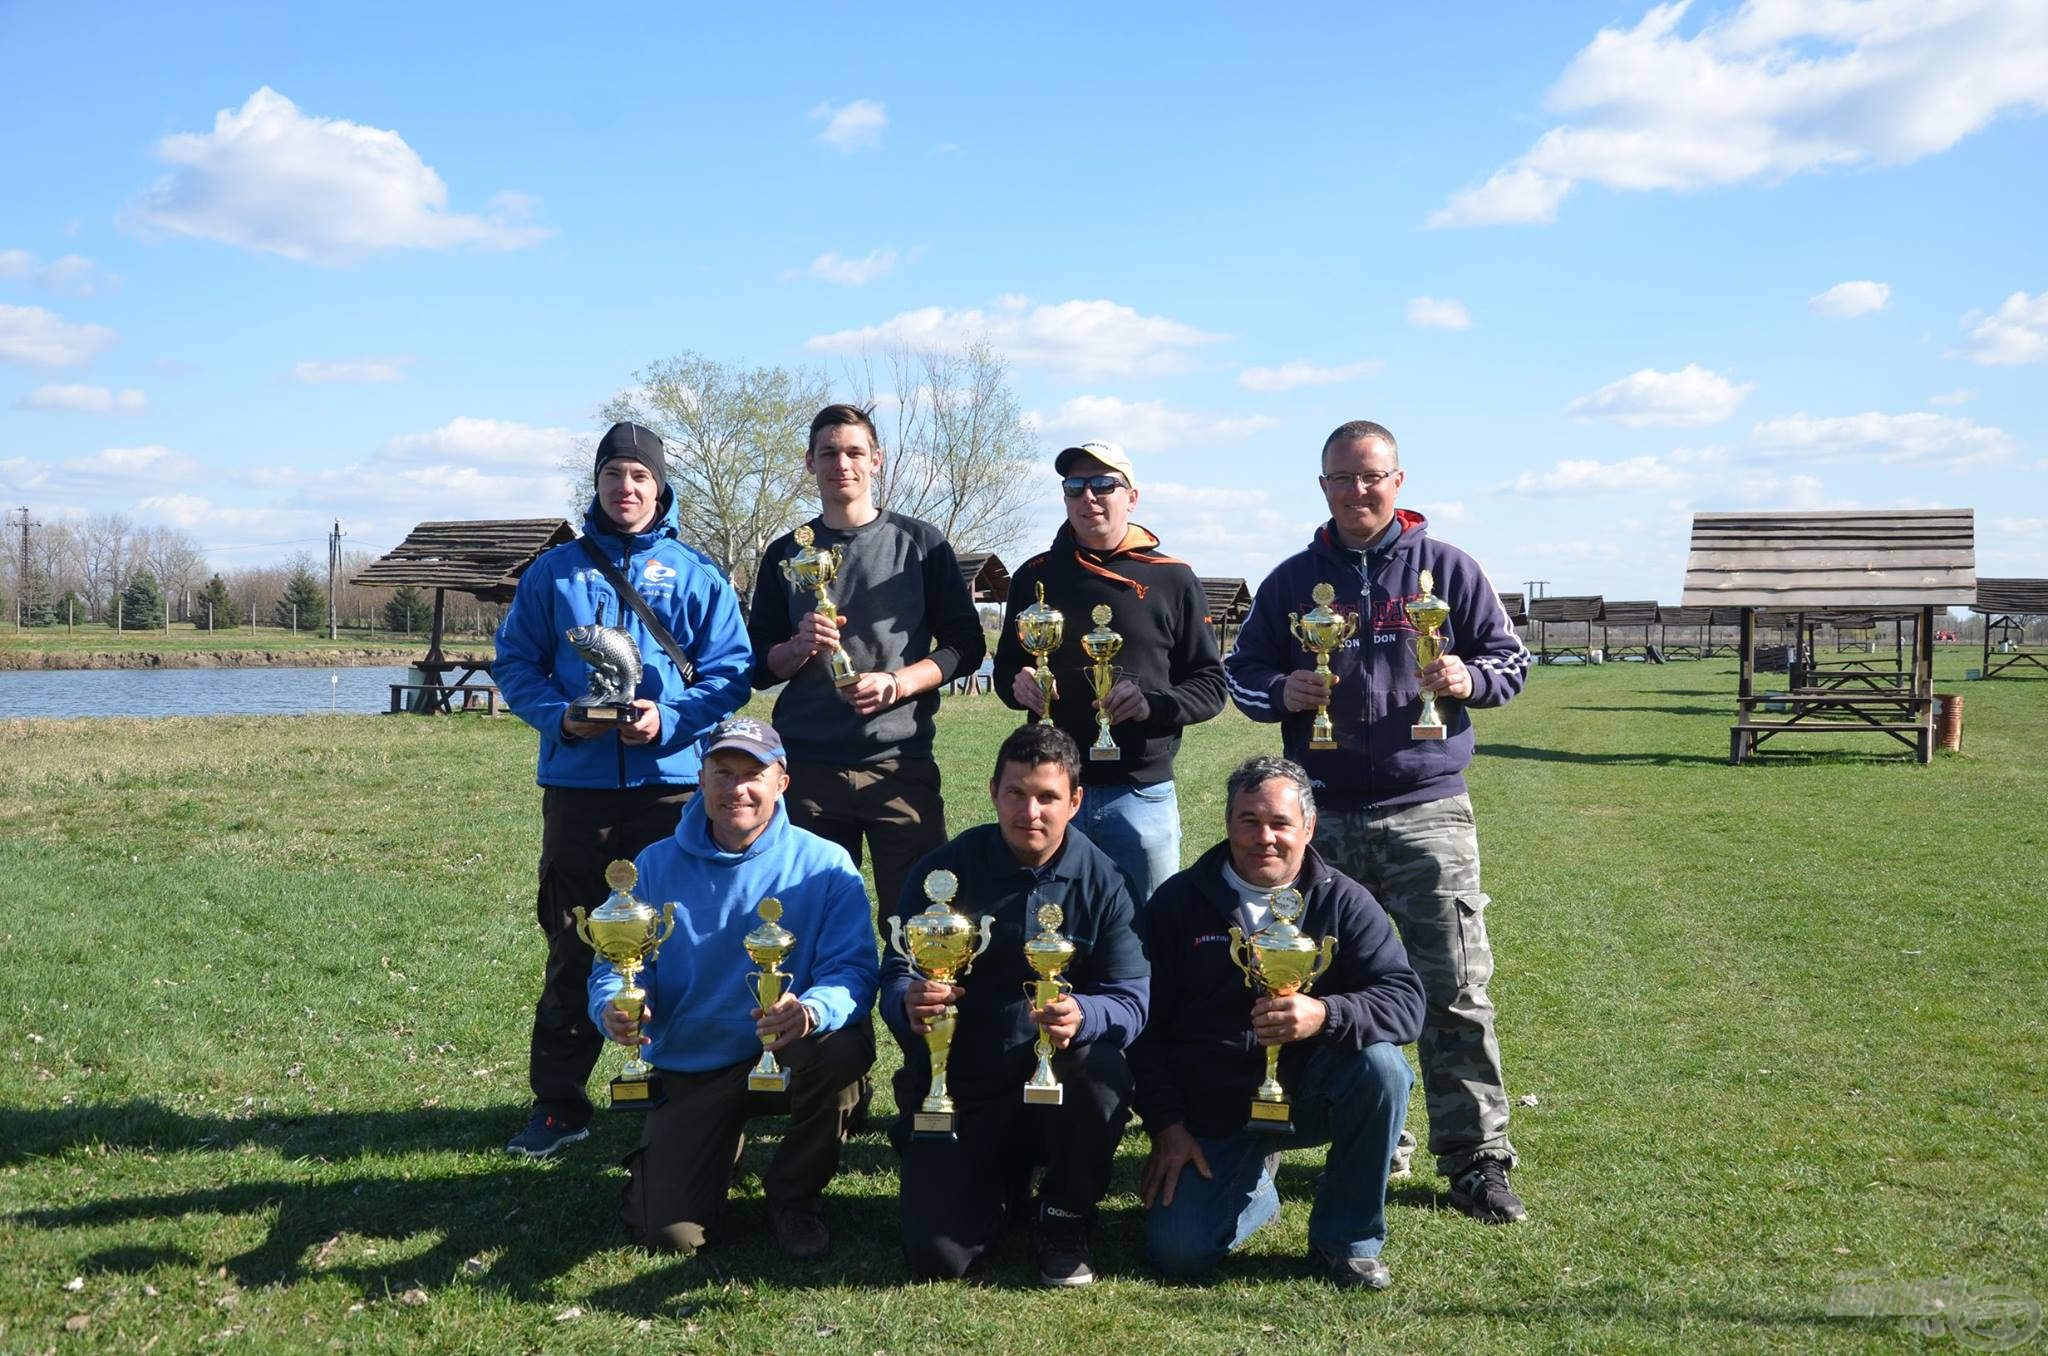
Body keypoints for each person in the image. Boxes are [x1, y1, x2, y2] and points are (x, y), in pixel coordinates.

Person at [1223, 419, 1533, 1224]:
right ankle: (1375, 1136)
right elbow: (1241, 674)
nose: (1357, 491)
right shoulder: (1294, 582)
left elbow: (1513, 661)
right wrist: (1283, 690)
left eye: (1372, 477)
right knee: (1332, 983)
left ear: (1398, 481)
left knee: (1455, 988)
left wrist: (1467, 675)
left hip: (1426, 809)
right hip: (1318, 825)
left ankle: (1477, 1159)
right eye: (1341, 478)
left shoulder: (1450, 569)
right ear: (1322, 485)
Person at [494, 420, 753, 1160]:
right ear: (598, 484)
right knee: (576, 940)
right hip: (578, 790)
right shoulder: (555, 574)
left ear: (660, 486)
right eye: (614, 475)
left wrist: (670, 720)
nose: (626, 487)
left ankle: (684, 1088)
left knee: (682, 940)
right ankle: (558, 1104)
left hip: (671, 790)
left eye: (640, 476)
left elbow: (732, 672)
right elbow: (515, 664)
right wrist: (561, 719)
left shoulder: (697, 572)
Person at [1132, 756, 1423, 1289]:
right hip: (1214, 1106)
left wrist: (1325, 1015)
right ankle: (1257, 1189)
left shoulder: (1344, 900)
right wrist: (1167, 1126)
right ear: (1227, 823)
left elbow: (1406, 1001)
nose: (1264, 837)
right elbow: (1144, 1026)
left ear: (1308, 828)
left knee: (1382, 1069)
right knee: (1180, 1255)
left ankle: (1347, 1240)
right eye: (1249, 821)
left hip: (1313, 1092)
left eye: (1280, 823)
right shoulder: (1179, 902)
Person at [593, 716, 878, 1258]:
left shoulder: (826, 863)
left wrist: (812, 1011)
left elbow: (854, 971)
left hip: (791, 1051)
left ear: (782, 782)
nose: (737, 789)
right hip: (695, 1062)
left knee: (841, 1048)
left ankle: (795, 1197)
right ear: (701, 778)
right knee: (671, 1235)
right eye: (722, 772)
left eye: (754, 773)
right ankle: (710, 1147)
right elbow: (615, 966)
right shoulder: (653, 865)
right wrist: (615, 1003)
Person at [879, 724, 1149, 1286]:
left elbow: (1132, 997)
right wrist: (909, 998)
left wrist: (1086, 1015)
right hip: (963, 1079)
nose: (1031, 811)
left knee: (1101, 1070)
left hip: (1060, 1080)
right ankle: (988, 1178)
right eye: (1016, 793)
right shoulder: (942, 872)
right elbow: (897, 968)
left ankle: (1063, 1218)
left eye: (1048, 796)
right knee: (938, 1258)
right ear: (993, 791)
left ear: (1075, 801)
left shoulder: (1106, 881)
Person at [748, 403, 987, 926]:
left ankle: (916, 1010)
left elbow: (967, 645)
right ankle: (828, 1013)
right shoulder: (786, 552)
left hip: (900, 764)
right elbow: (758, 665)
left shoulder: (922, 544)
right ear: (809, 462)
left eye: (855, 452)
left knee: (922, 927)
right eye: (829, 452)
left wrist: (898, 684)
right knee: (809, 927)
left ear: (877, 460)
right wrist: (798, 646)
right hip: (807, 769)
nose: (842, 464)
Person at [991, 441, 1226, 906]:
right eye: (1075, 486)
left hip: (1141, 791)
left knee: (1150, 934)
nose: (1088, 498)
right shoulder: (1033, 575)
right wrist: (1018, 685)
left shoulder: (1173, 577)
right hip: (1050, 791)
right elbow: (1004, 671)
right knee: (1051, 932)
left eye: (1103, 485)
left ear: (1131, 496)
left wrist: (1153, 705)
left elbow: (1210, 684)